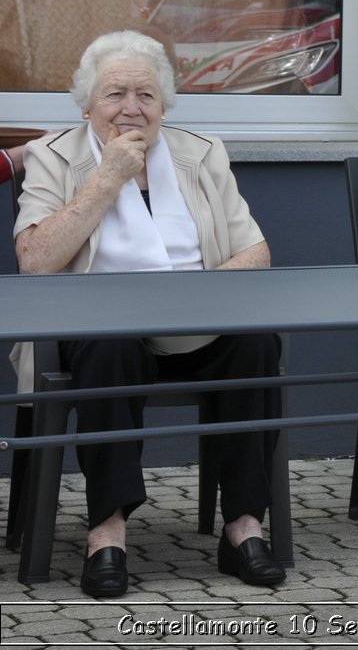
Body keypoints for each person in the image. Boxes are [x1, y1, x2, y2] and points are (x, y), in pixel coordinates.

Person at [12, 30, 282, 598]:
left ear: (165, 105)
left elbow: (255, 250)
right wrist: (106, 177)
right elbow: (35, 261)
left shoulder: (201, 152)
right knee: (109, 344)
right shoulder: (54, 155)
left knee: (256, 340)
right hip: (95, 335)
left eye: (146, 95)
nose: (132, 109)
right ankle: (107, 534)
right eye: (115, 95)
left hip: (196, 322)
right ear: (87, 104)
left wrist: (201, 295)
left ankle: (243, 527)